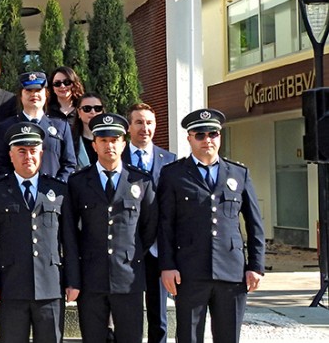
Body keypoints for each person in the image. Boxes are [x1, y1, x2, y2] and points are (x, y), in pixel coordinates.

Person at [158, 109, 265, 343]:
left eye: (213, 134)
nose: (207, 140)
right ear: (189, 138)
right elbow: (165, 224)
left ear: (220, 137)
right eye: (200, 135)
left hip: (232, 272)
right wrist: (167, 265)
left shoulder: (239, 173)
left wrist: (256, 265)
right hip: (189, 271)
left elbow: (255, 223)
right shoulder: (173, 174)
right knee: (188, 337)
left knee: (228, 337)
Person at [63, 113, 157, 343]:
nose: (109, 145)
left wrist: (130, 256)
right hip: (91, 277)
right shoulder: (77, 182)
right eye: (103, 140)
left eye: (115, 140)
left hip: (129, 278)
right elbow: (70, 233)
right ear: (94, 144)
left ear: (124, 143)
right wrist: (74, 277)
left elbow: (150, 227)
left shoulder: (141, 181)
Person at [0, 123, 69, 343]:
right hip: (11, 287)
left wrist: (72, 281)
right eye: (21, 151)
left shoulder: (58, 190)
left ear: (41, 153)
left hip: (50, 287)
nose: (27, 156)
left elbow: (69, 240)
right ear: (11, 155)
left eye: (32, 150)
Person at [122, 103, 176, 343]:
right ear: (129, 127)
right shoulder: (116, 157)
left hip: (157, 249)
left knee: (159, 316)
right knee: (126, 314)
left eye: (150, 123)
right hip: (127, 248)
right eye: (139, 122)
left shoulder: (170, 160)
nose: (145, 128)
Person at [0, 71, 76, 182]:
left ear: (46, 94)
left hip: (53, 194)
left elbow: (69, 164)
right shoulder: (6, 127)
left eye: (38, 90)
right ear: (20, 95)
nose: (34, 94)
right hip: (17, 194)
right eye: (28, 90)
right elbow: (0, 163)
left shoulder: (61, 126)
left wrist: (58, 187)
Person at [72, 93, 105, 169]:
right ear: (79, 112)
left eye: (97, 108)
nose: (93, 112)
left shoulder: (111, 139)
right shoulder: (70, 140)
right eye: (87, 108)